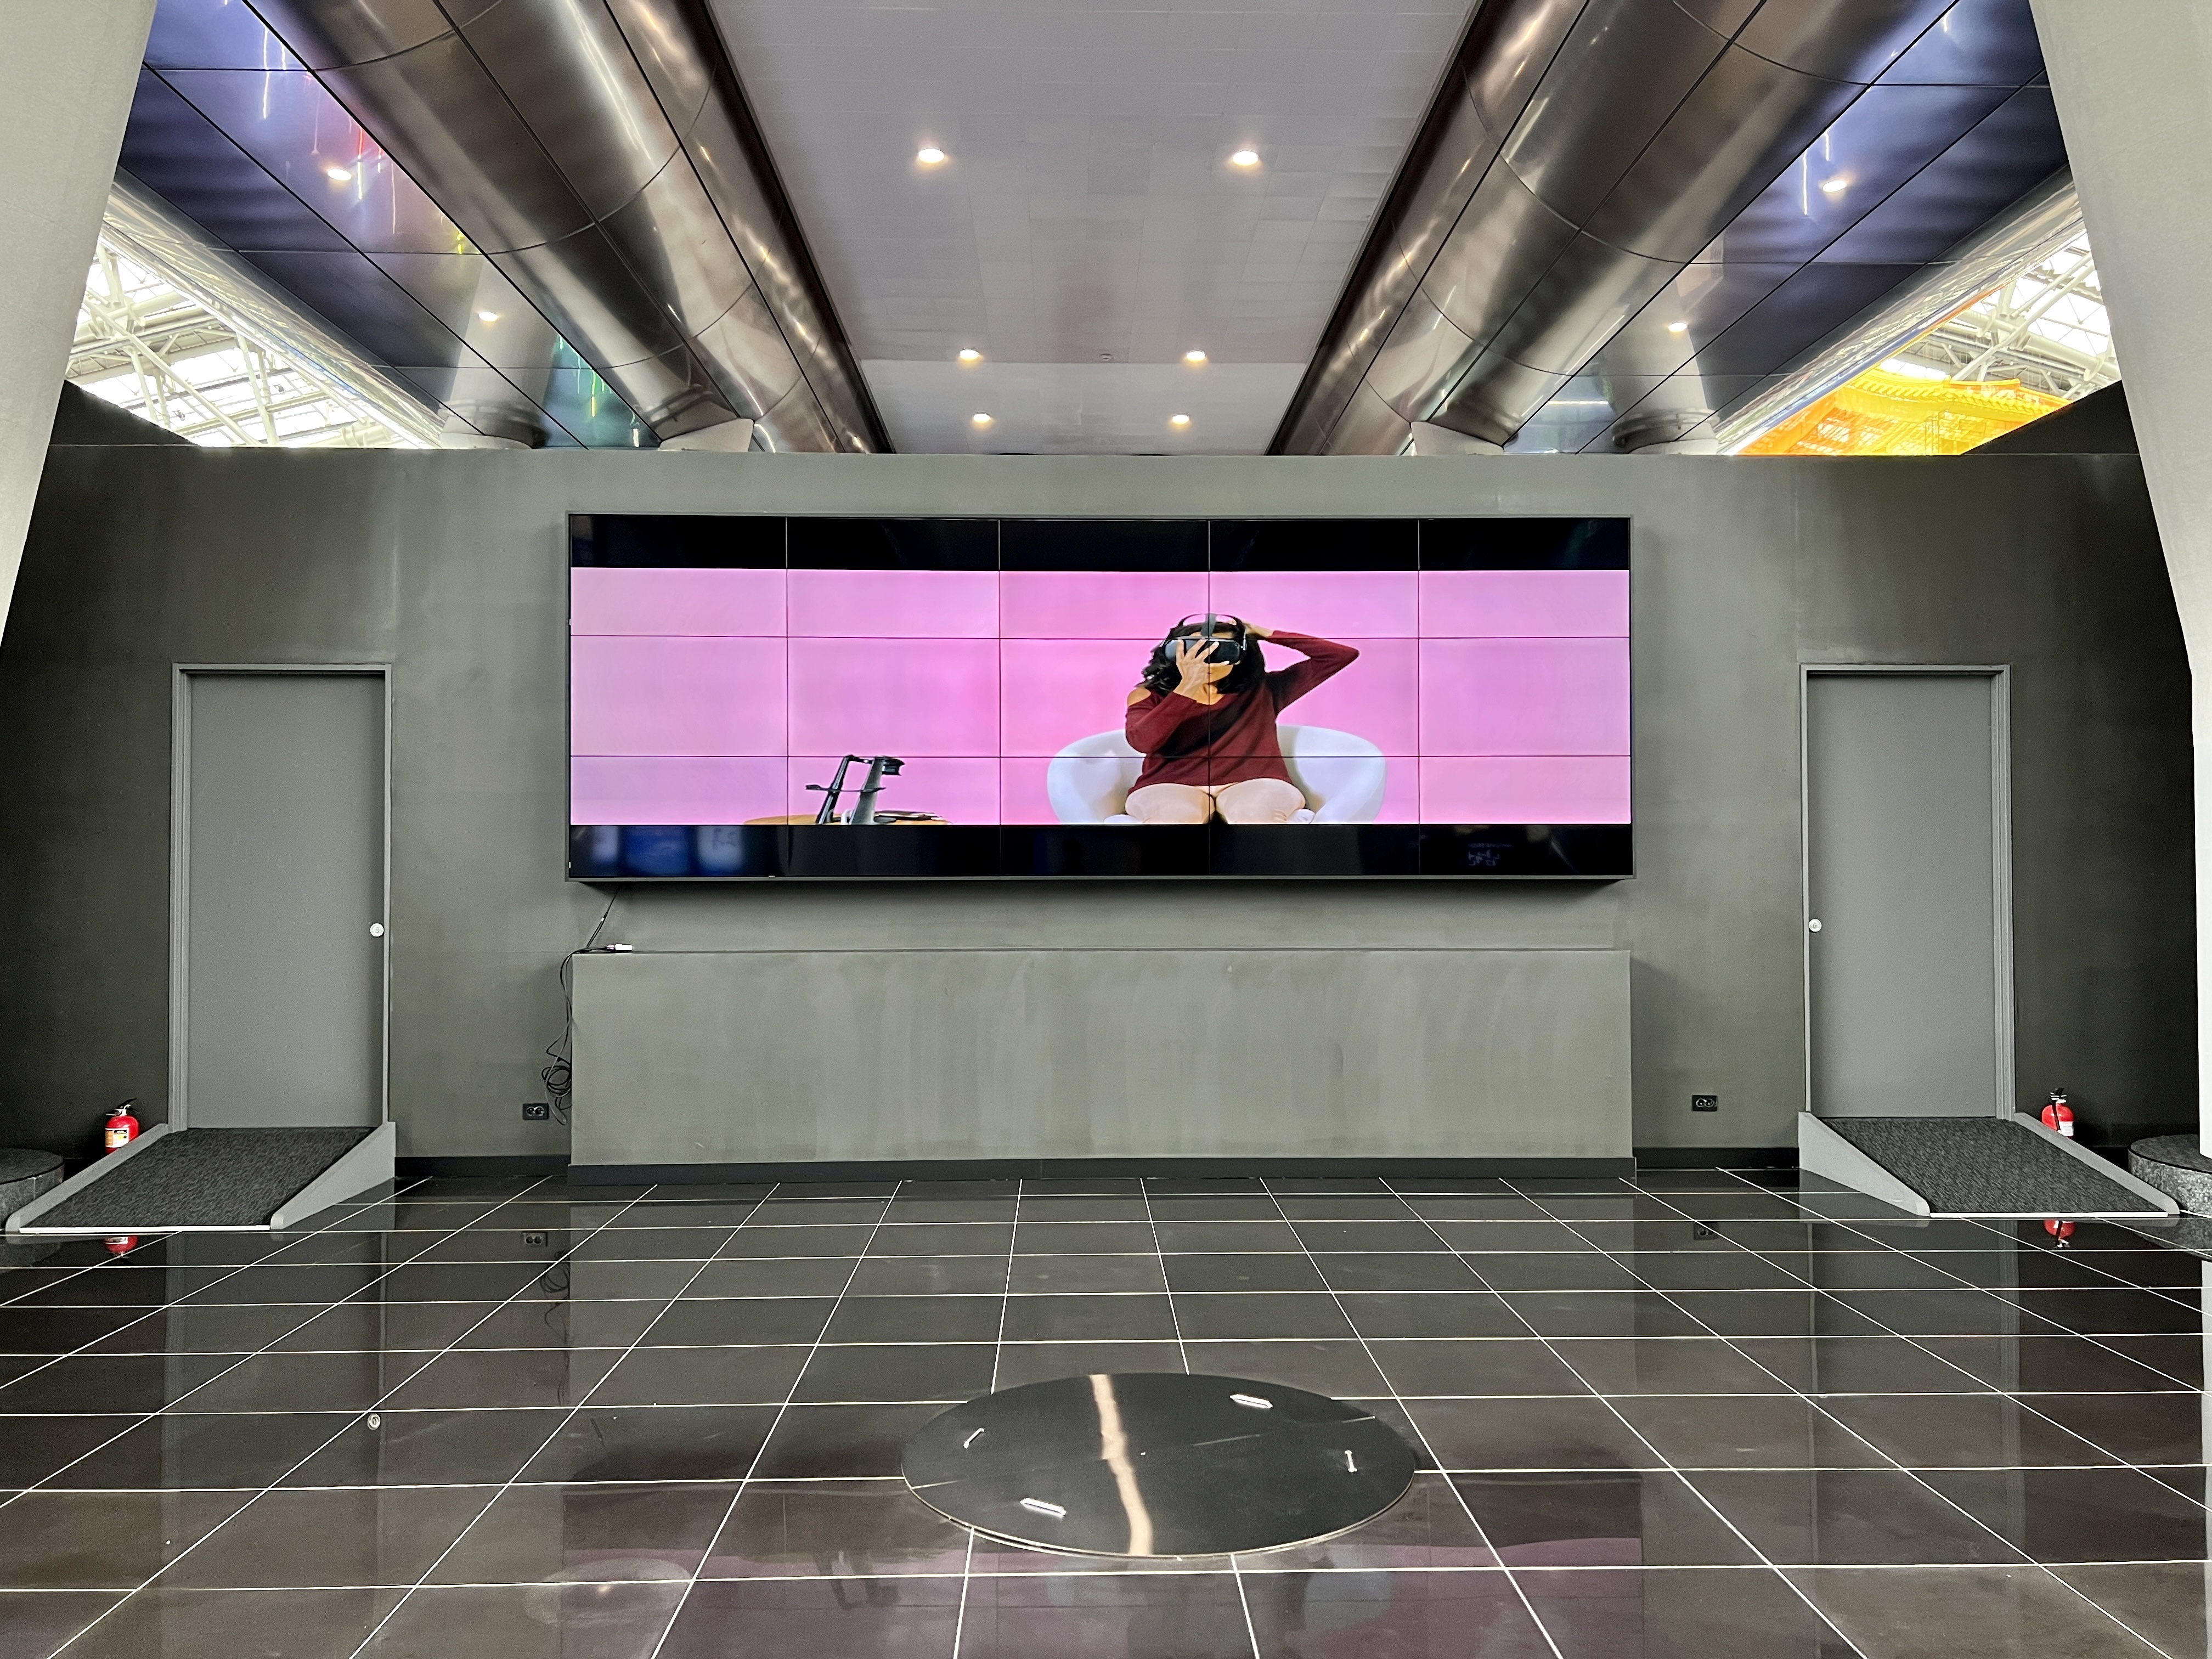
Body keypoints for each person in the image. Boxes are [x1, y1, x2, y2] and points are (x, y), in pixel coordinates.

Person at [1122, 618, 1358, 823]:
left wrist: (1264, 633)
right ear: (1175, 654)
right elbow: (1143, 742)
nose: (1207, 660)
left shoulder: (1264, 690)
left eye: (1221, 651)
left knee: (1254, 816)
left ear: (1240, 656)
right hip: (1170, 783)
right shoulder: (1149, 695)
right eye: (1195, 650)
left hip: (1254, 781)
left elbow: (1340, 656)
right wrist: (1188, 686)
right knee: (1173, 819)